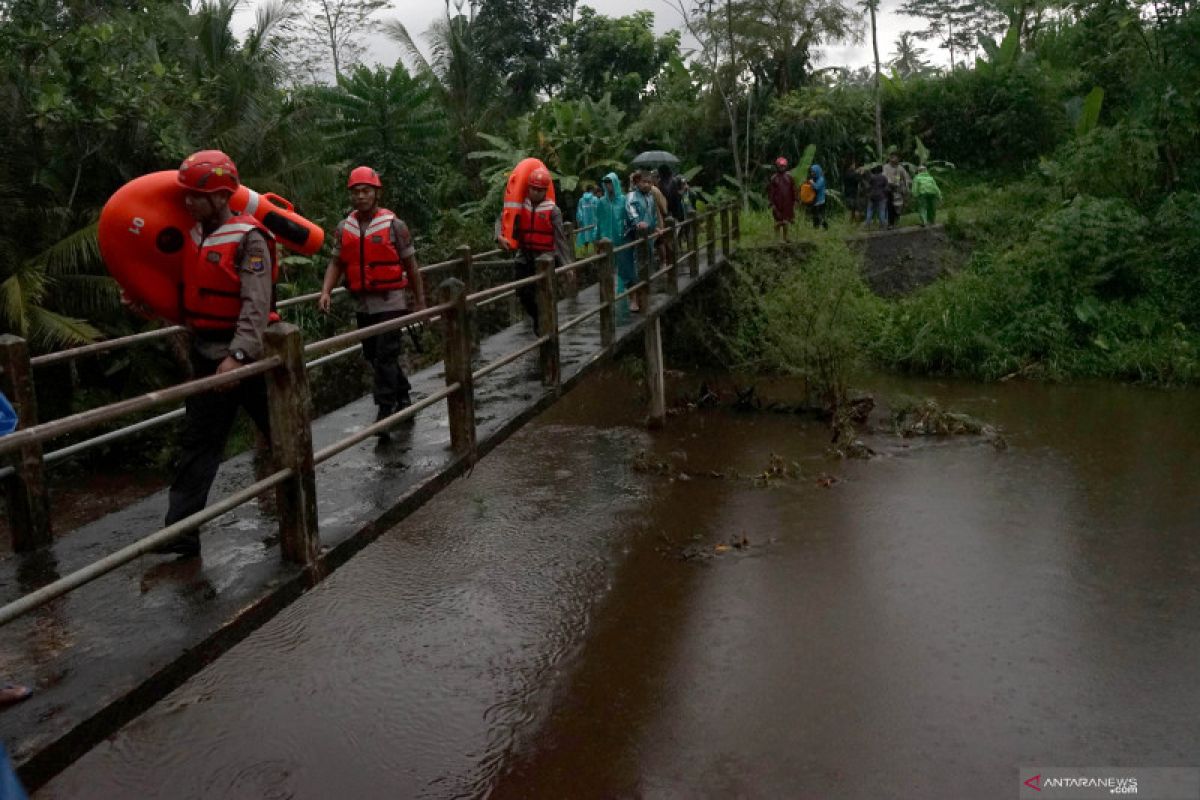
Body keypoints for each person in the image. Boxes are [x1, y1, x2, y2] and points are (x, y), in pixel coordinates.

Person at [155, 150, 278, 557]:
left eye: (196, 195)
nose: (188, 202)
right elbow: (186, 293)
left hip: (249, 358)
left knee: (281, 433)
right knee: (198, 443)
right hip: (207, 355)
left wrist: (239, 357)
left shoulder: (250, 238)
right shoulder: (192, 236)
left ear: (223, 196)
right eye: (186, 194)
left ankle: (300, 505)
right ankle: (181, 532)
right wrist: (144, 303)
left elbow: (256, 303)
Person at [319, 166, 427, 437]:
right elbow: (336, 263)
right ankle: (403, 396)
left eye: (366, 191)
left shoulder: (394, 225)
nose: (360, 196)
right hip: (363, 303)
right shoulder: (344, 228)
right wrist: (325, 291)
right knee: (373, 355)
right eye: (356, 192)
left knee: (385, 355)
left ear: (376, 193)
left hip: (391, 301)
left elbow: (411, 266)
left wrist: (420, 303)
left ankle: (385, 410)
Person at [496, 166, 572, 333]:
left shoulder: (553, 211)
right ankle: (539, 319)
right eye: (533, 189)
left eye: (540, 190)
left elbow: (560, 239)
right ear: (528, 188)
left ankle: (546, 326)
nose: (536, 193)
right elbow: (502, 218)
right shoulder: (520, 205)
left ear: (545, 190)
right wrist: (499, 236)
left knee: (545, 293)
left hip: (545, 257)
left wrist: (567, 266)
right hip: (525, 256)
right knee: (523, 292)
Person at [594, 172, 636, 303]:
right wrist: (597, 239)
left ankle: (633, 298)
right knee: (606, 271)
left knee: (627, 269)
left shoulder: (623, 200)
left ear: (615, 183)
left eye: (610, 182)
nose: (608, 185)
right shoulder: (601, 202)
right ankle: (607, 300)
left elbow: (630, 217)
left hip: (623, 239)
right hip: (606, 240)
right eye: (606, 183)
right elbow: (598, 221)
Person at [624, 171, 659, 313]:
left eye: (649, 182)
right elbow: (631, 210)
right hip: (634, 236)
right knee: (634, 266)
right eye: (644, 182)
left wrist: (655, 227)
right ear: (638, 182)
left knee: (646, 263)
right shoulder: (632, 196)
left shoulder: (650, 197)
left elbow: (653, 214)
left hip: (647, 236)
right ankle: (633, 299)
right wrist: (638, 222)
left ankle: (642, 295)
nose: (647, 184)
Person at [767, 156, 797, 242]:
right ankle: (777, 239)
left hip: (787, 203)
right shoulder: (774, 178)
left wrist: (795, 200)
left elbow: (793, 189)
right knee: (778, 221)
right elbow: (771, 192)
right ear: (777, 166)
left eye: (783, 166)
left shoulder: (789, 177)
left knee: (786, 221)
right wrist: (772, 203)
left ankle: (785, 237)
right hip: (777, 203)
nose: (782, 167)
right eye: (780, 166)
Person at [883, 152, 911, 228]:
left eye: (896, 158)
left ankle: (896, 218)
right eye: (893, 158)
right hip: (889, 190)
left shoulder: (900, 168)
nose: (895, 160)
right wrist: (890, 182)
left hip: (899, 190)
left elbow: (906, 177)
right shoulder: (886, 167)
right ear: (890, 158)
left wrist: (906, 185)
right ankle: (890, 224)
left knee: (898, 207)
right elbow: (884, 176)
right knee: (890, 207)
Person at [864, 165, 890, 231]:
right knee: (882, 211)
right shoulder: (884, 178)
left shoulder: (872, 178)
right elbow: (886, 188)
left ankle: (867, 225)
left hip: (872, 196)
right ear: (882, 170)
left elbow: (867, 186)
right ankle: (882, 226)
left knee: (869, 210)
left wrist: (868, 193)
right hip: (881, 196)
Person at [575, 184, 599, 253]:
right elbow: (598, 210)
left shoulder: (581, 200)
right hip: (594, 221)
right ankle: (595, 251)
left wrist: (579, 221)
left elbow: (579, 212)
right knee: (594, 235)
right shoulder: (595, 199)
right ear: (592, 190)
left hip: (584, 222)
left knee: (585, 235)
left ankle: (585, 252)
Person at [808, 164, 829, 230]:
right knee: (815, 215)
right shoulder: (815, 179)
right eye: (811, 172)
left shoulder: (821, 179)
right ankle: (816, 228)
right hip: (815, 200)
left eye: (813, 172)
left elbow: (817, 187)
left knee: (819, 215)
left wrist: (811, 183)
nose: (812, 173)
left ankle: (825, 227)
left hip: (820, 200)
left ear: (817, 171)